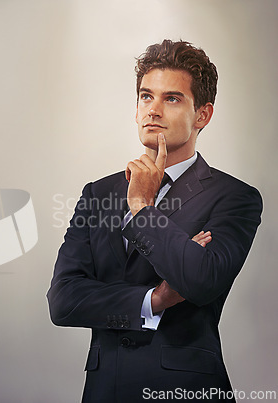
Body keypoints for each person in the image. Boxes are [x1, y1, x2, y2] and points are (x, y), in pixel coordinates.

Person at [47, 39, 262, 402]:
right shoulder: (97, 193)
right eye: (146, 97)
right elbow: (64, 300)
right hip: (106, 390)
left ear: (203, 115)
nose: (154, 110)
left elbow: (202, 280)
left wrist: (143, 210)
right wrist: (153, 300)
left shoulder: (235, 196)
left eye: (172, 98)